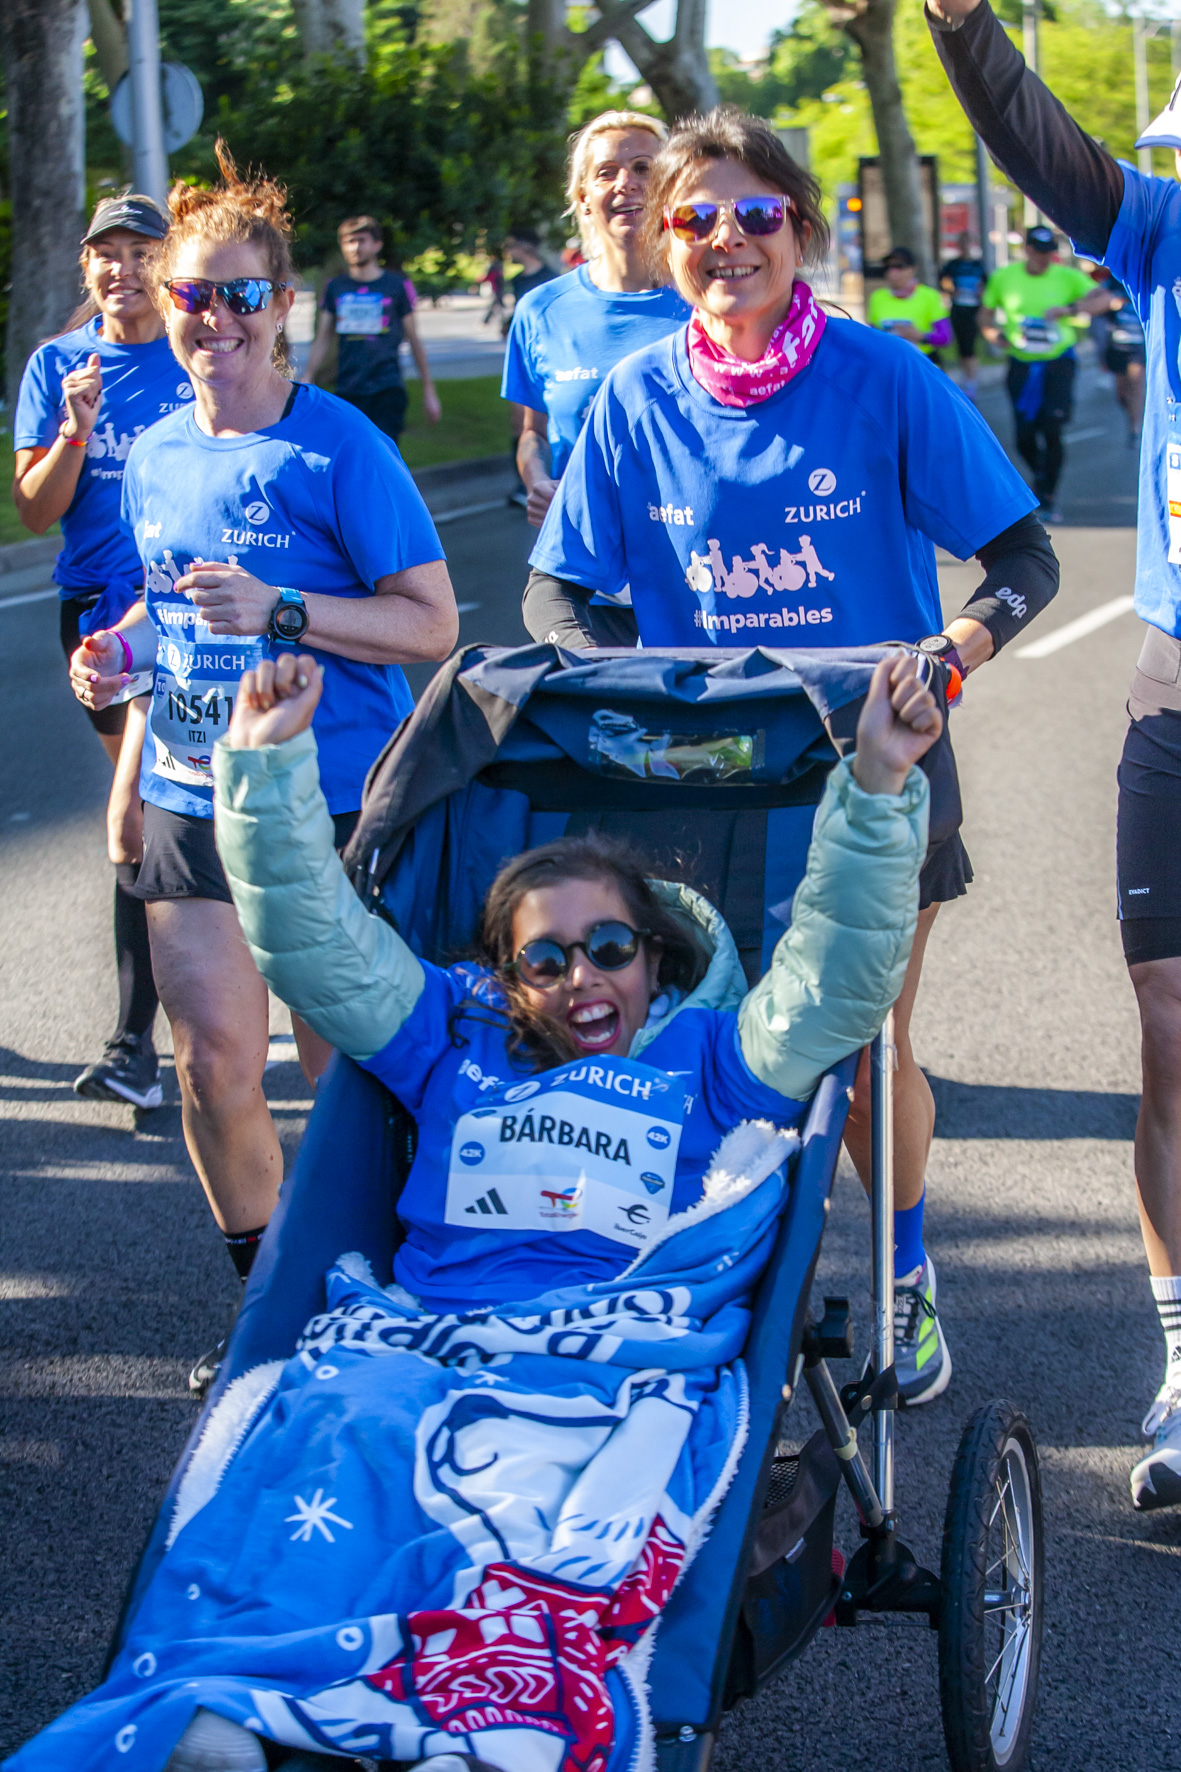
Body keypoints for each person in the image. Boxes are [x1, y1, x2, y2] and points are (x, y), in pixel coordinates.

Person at [11, 652, 941, 1772]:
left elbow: (837, 970)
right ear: (505, 978)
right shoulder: (452, 1032)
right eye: (542, 958)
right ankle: (246, 1685)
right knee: (336, 1424)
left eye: (607, 947)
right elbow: (312, 938)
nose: (579, 976)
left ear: (656, 958)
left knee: (531, 1492)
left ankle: (473, 1715)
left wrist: (879, 783)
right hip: (424, 1336)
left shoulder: (714, 1058)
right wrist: (261, 769)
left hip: (602, 1357)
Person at [523, 106, 1061, 1405]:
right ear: (661, 241)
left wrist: (951, 654)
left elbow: (1023, 563)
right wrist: (620, 681)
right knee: (706, 1052)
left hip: (877, 772)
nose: (727, 240)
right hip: (700, 790)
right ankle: (708, 1292)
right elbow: (557, 601)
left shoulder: (884, 380)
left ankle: (908, 1279)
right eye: (696, 219)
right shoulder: (633, 401)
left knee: (861, 1051)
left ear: (801, 231)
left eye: (755, 214)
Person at [66, 145, 458, 1394]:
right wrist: (116, 664)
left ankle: (374, 1296)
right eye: (194, 294)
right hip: (191, 785)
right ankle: (275, 1310)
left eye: (241, 295)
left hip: (333, 794)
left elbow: (429, 624)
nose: (215, 319)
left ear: (281, 305)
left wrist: (283, 610)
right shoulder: (157, 448)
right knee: (209, 1064)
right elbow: (168, 612)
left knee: (334, 1068)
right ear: (163, 305)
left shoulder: (340, 448)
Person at [925, 0, 1181, 1513]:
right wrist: (964, 27)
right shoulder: (1166, 234)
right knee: (1170, 1035)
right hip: (1177, 700)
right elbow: (1053, 158)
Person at [12, 191, 183, 1113]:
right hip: (89, 615)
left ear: (168, 262)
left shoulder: (199, 349)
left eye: (140, 250)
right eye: (105, 253)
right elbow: (36, 511)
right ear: (87, 268)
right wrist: (77, 423)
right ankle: (200, 973)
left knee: (133, 816)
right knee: (162, 820)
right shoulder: (57, 365)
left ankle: (133, 1044)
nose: (122, 268)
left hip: (176, 614)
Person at [502, 111, 689, 531]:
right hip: (580, 556)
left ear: (672, 185)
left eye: (644, 167)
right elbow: (531, 434)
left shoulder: (707, 303)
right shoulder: (540, 310)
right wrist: (535, 482)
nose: (626, 182)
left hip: (690, 562)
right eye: (606, 172)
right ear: (584, 196)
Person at [980, 223, 1103, 524]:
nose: (1045, 259)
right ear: (1028, 250)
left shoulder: (1067, 276)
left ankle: (1048, 494)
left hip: (1057, 363)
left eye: (1050, 253)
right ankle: (1039, 474)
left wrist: (1071, 309)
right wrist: (995, 337)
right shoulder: (1005, 278)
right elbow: (984, 312)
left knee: (1052, 427)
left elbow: (1102, 300)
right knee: (1024, 435)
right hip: (1021, 364)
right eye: (1040, 252)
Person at [305, 214, 441, 442]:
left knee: (384, 458)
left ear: (377, 245)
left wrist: (429, 389)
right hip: (348, 388)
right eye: (349, 241)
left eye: (361, 240)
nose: (355, 247)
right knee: (351, 459)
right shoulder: (336, 287)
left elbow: (414, 339)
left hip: (386, 387)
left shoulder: (396, 285)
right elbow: (323, 338)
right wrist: (308, 376)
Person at [867, 245, 952, 365]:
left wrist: (920, 336)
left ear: (913, 269)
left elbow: (945, 337)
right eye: (888, 267)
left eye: (899, 266)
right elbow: (872, 334)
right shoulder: (877, 297)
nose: (893, 272)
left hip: (922, 362)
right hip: (888, 363)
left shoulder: (930, 296)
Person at [1090, 265, 1146, 447]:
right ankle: (1131, 414)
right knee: (1122, 392)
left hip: (1140, 345)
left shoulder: (1146, 279)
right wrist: (1111, 303)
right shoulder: (1111, 283)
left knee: (1136, 384)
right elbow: (1093, 300)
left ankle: (1135, 429)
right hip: (1117, 345)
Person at [939, 229, 987, 397]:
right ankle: (966, 380)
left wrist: (982, 295)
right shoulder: (953, 264)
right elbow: (942, 282)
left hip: (973, 309)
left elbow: (987, 285)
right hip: (958, 308)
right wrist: (951, 292)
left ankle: (971, 383)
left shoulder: (978, 265)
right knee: (961, 346)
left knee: (970, 346)